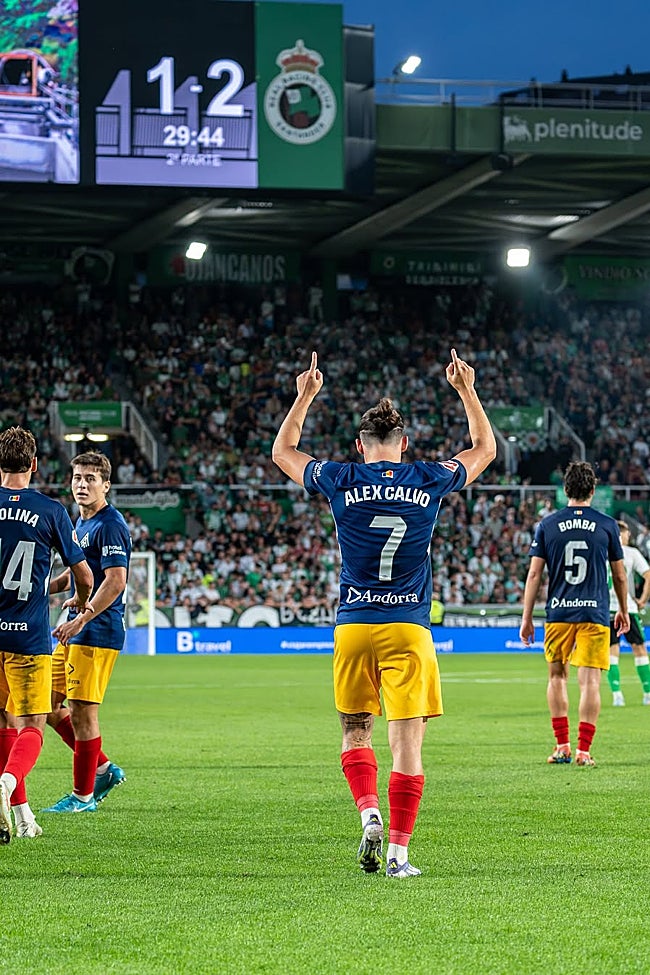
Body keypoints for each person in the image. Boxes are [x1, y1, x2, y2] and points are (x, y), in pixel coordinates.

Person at [272, 349, 496, 878]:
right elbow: (484, 448)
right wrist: (465, 390)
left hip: (353, 626)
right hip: (408, 629)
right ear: (405, 444)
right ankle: (398, 854)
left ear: (360, 446)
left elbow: (283, 451)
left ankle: (368, 812)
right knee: (408, 742)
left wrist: (305, 394)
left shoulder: (341, 478)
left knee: (355, 732)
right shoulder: (426, 478)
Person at [0, 427, 93, 842]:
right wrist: (81, 600)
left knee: (2, 719)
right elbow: (84, 574)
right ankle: (4, 784)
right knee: (33, 723)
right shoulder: (51, 510)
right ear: (34, 465)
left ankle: (21, 818)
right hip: (28, 637)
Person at [520, 462, 629, 767]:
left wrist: (527, 618)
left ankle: (562, 747)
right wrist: (622, 608)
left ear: (565, 490)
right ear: (593, 490)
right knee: (590, 682)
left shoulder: (548, 525)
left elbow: (534, 575)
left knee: (557, 677)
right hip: (594, 612)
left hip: (558, 614)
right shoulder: (607, 525)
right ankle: (583, 751)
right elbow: (619, 576)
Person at [42, 452, 130, 814]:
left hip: (97, 630)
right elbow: (71, 576)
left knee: (82, 713)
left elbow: (115, 581)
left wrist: (83, 617)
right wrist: (38, 588)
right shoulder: (81, 524)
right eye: (78, 477)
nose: (82, 484)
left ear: (105, 485)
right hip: (76, 629)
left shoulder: (111, 524)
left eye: (91, 478)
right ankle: (105, 769)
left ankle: (82, 797)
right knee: (46, 704)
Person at [607, 520, 650, 707]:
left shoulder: (602, 551)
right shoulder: (631, 553)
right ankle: (647, 693)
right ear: (621, 534)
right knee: (639, 649)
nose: (628, 537)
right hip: (628, 609)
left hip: (606, 609)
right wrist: (642, 600)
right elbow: (648, 575)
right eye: (626, 534)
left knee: (611, 652)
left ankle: (617, 695)